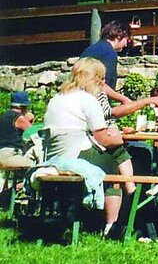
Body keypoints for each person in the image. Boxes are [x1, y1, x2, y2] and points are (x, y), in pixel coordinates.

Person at [43, 58, 128, 235]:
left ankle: (131, 193)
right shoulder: (88, 100)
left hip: (54, 157)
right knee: (115, 162)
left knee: (116, 155)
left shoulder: (57, 98)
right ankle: (113, 223)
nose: (104, 84)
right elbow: (103, 139)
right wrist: (119, 139)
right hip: (76, 157)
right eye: (102, 79)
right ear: (94, 79)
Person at [80, 21, 134, 106]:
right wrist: (124, 99)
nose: (126, 44)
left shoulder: (91, 49)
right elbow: (103, 85)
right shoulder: (109, 53)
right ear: (119, 36)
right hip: (94, 104)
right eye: (127, 40)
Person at [0, 91, 36, 168]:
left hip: (2, 153)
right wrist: (31, 120)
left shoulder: (4, 116)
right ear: (22, 106)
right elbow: (33, 134)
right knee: (36, 164)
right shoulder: (19, 118)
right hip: (10, 155)